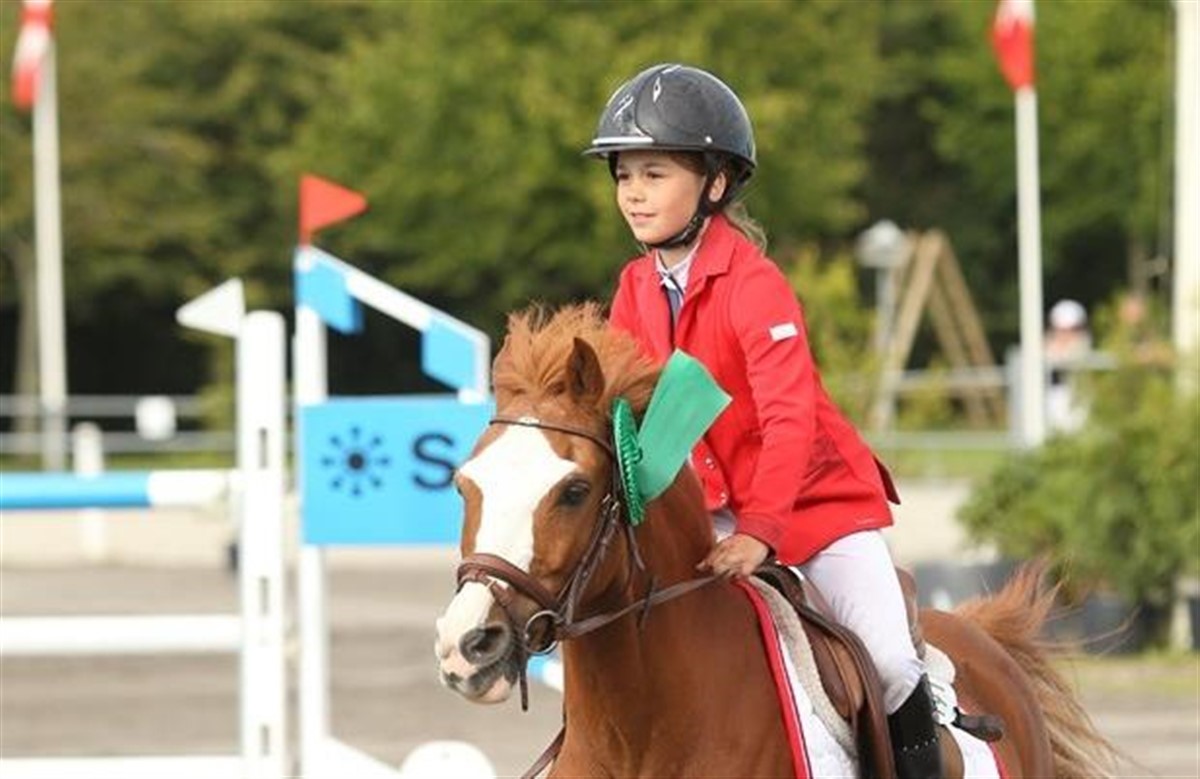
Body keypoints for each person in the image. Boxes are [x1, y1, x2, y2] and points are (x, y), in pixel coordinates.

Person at [586, 63, 942, 779]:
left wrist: (760, 532)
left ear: (715, 184)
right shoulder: (634, 287)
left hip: (814, 511)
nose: (632, 192)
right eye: (624, 175)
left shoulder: (755, 284)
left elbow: (790, 419)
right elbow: (632, 420)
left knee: (890, 661)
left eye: (654, 174)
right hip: (715, 516)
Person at [1045, 298, 1093, 433]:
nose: (1066, 334)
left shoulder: (1083, 344)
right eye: (1061, 330)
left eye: (1072, 330)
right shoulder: (1046, 346)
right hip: (1055, 394)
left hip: (1078, 394)